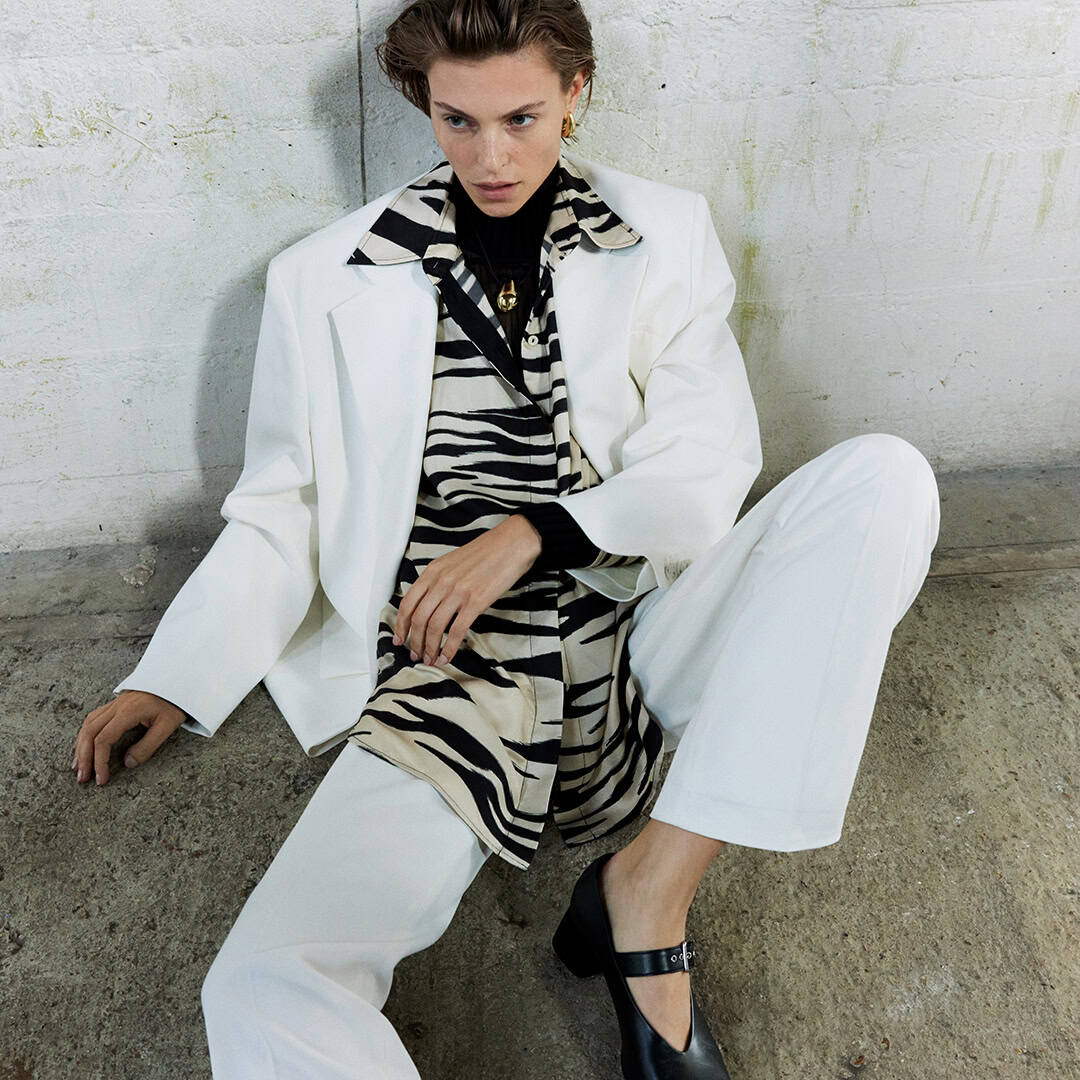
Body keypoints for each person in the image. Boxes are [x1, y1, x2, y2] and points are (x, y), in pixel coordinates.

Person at [71, 1, 941, 1077]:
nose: (492, 155)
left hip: (636, 622)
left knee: (884, 480)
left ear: (576, 95)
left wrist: (536, 529)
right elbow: (280, 502)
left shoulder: (663, 232)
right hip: (455, 677)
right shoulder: (320, 279)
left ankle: (646, 893)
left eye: (523, 117)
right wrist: (177, 673)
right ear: (423, 108)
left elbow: (708, 459)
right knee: (263, 984)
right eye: (457, 121)